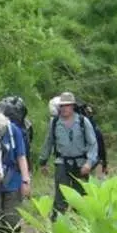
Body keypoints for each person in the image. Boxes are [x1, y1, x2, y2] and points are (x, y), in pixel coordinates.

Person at [38, 91, 98, 219]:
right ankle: (57, 228)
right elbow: (48, 143)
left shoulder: (83, 121)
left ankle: (82, 227)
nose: (64, 108)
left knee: (81, 197)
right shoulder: (54, 123)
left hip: (81, 164)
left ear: (72, 106)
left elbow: (93, 143)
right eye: (62, 106)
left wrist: (89, 162)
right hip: (62, 164)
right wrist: (43, 162)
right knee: (60, 197)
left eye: (67, 105)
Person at [0, 101, 31, 233]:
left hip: (13, 179)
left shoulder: (14, 131)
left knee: (12, 217)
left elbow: (21, 156)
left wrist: (26, 180)